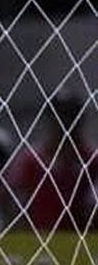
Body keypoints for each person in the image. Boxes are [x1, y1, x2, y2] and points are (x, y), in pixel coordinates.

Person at [10, 96, 94, 232]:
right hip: (40, 241)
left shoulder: (92, 160)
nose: (65, 126)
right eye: (60, 119)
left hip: (85, 242)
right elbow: (14, 202)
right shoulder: (32, 161)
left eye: (70, 119)